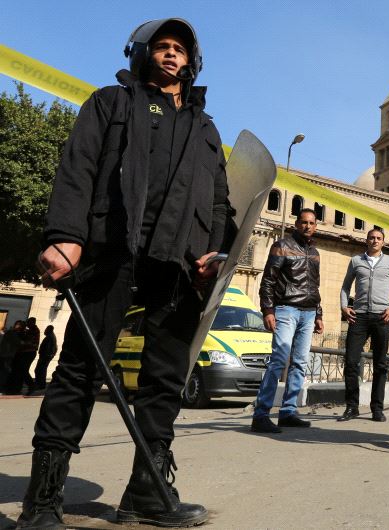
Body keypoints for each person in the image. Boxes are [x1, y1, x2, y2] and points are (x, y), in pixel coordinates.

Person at [17, 18, 232, 528]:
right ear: (143, 53)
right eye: (162, 46)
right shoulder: (110, 104)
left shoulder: (205, 128)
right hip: (111, 251)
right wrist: (64, 235)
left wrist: (214, 253)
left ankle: (148, 493)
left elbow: (220, 202)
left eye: (180, 48)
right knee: (79, 370)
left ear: (191, 61)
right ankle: (43, 501)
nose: (171, 54)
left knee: (165, 380)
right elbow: (78, 167)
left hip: (178, 266)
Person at [252, 208, 324, 433]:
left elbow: (314, 285)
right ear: (296, 224)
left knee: (300, 363)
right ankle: (261, 414)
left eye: (311, 223)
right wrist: (268, 310)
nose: (308, 226)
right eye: (303, 222)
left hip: (309, 312)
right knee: (278, 361)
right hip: (286, 310)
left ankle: (288, 411)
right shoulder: (281, 246)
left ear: (315, 226)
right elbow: (268, 281)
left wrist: (319, 313)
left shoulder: (315, 253)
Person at [338, 228, 389, 422]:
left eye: (378, 238)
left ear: (383, 242)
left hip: (381, 317)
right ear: (366, 241)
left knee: (380, 364)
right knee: (351, 362)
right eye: (371, 238)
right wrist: (344, 306)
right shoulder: (356, 261)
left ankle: (377, 408)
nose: (375, 241)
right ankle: (352, 407)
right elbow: (345, 287)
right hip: (358, 317)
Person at [0, 320, 26, 393]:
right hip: (7, 355)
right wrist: (27, 342)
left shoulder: (11, 332)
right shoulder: (12, 333)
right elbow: (20, 343)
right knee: (5, 371)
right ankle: (1, 387)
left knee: (4, 371)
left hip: (5, 354)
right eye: (19, 325)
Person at [34, 325, 58, 390]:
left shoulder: (50, 337)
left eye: (46, 329)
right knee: (41, 370)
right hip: (46, 356)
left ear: (49, 330)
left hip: (44, 357)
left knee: (40, 370)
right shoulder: (51, 337)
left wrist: (47, 356)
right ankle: (40, 384)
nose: (45, 330)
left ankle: (40, 384)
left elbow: (49, 348)